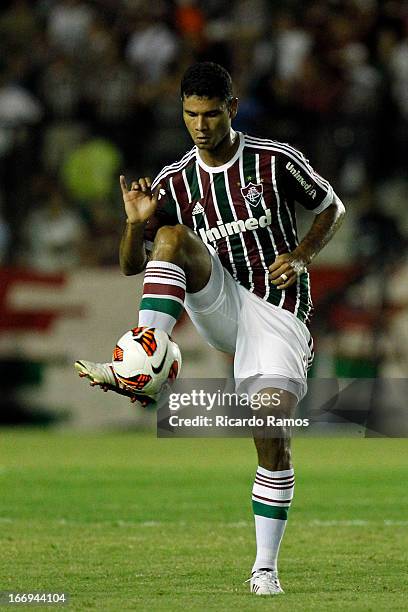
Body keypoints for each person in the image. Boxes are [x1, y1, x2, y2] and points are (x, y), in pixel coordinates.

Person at [75, 62, 345, 595]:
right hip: (219, 300)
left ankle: (264, 569)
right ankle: (147, 351)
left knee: (272, 432)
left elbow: (331, 207)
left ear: (232, 109)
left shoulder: (273, 161)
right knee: (170, 235)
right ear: (182, 112)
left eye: (211, 114)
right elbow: (134, 265)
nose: (200, 125)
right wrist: (134, 224)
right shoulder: (175, 180)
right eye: (191, 114)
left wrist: (301, 254)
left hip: (277, 311)